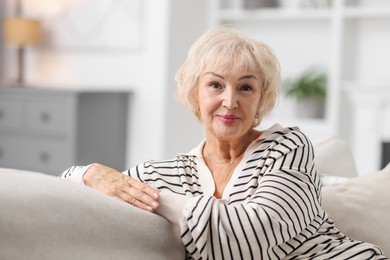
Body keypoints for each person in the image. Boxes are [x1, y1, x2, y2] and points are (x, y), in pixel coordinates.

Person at [60, 26, 388, 259]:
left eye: (245, 88)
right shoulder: (171, 172)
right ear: (195, 93)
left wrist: (161, 202)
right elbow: (72, 187)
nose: (230, 101)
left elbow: (255, 239)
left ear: (261, 98)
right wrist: (90, 172)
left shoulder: (288, 148)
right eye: (216, 85)